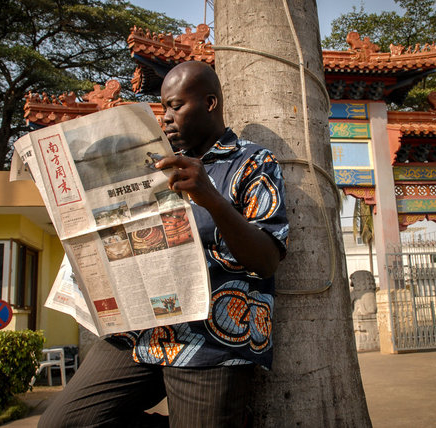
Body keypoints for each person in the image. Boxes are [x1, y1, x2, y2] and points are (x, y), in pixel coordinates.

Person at [39, 61, 289, 427]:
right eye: (163, 108)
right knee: (62, 423)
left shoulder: (252, 162)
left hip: (210, 343)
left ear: (209, 103)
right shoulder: (151, 165)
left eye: (176, 106)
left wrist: (211, 198)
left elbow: (266, 260)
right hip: (138, 333)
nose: (166, 117)